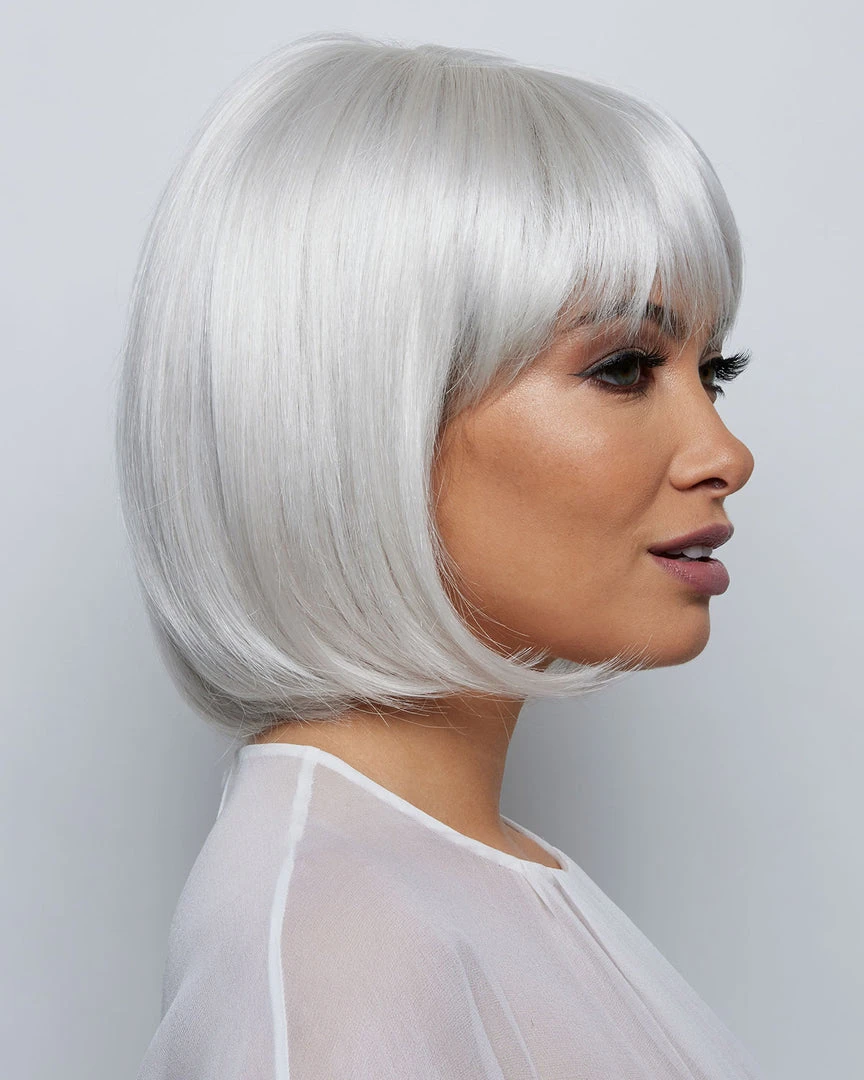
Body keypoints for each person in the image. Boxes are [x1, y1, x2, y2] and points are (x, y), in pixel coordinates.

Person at [117, 31, 764, 1079]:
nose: (725, 454)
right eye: (624, 367)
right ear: (365, 413)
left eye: (713, 371)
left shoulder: (466, 877)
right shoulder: (339, 942)